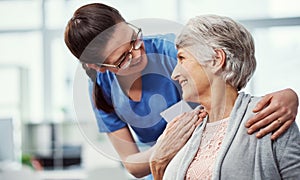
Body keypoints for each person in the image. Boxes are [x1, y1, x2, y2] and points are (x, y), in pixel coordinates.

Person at [64, 3, 299, 179]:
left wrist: (287, 96)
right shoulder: (101, 90)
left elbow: (226, 84)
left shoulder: (170, 52)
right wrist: (163, 149)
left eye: (135, 38)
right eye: (123, 58)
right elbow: (131, 163)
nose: (137, 53)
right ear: (97, 67)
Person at [150, 14, 300, 179]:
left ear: (216, 59)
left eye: (182, 58)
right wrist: (157, 166)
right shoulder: (181, 127)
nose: (174, 74)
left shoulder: (270, 116)